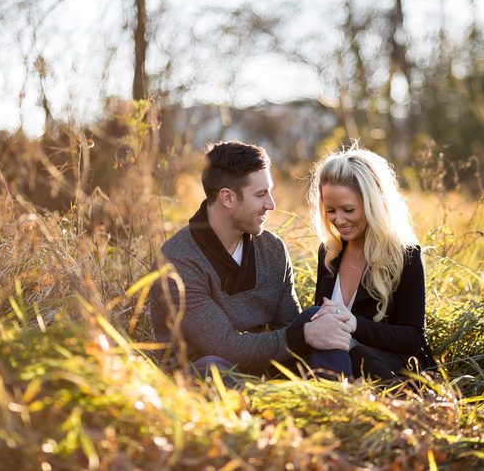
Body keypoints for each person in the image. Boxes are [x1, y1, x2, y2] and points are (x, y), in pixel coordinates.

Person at [147, 141, 351, 380]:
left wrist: (312, 330)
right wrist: (304, 335)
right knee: (214, 368)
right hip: (202, 379)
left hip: (262, 368)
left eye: (270, 191)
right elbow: (226, 347)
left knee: (318, 318)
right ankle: (272, 410)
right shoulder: (176, 263)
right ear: (228, 198)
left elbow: (289, 328)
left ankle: (333, 402)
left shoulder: (272, 249)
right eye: (260, 194)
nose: (271, 204)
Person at [307, 144, 434, 382]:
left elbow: (413, 337)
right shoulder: (329, 254)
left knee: (360, 355)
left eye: (348, 209)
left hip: (387, 368)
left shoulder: (405, 254)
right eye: (330, 210)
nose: (339, 220)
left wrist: (356, 325)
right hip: (334, 367)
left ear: (372, 203)